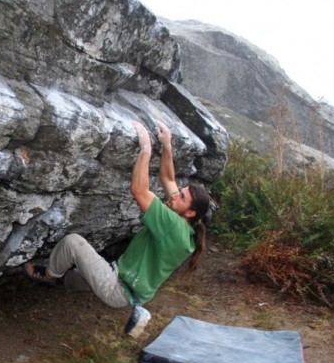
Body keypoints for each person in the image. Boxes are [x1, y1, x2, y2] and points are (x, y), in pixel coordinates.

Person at [23, 120, 211, 337]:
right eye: (180, 192)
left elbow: (139, 190)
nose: (175, 195)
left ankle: (48, 275)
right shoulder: (185, 226)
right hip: (125, 282)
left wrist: (146, 150)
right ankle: (66, 281)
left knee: (73, 243)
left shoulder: (173, 226)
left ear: (190, 212)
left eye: (182, 197)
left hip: (118, 288)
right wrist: (167, 146)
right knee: (74, 279)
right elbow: (168, 178)